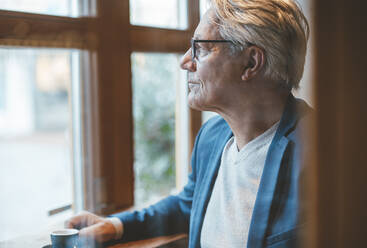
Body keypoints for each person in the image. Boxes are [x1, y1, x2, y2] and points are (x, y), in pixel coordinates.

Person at [66, 0, 311, 247]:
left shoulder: (322, 154)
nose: (184, 61)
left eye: (200, 49)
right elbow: (189, 204)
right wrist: (116, 226)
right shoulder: (212, 136)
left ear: (250, 63)